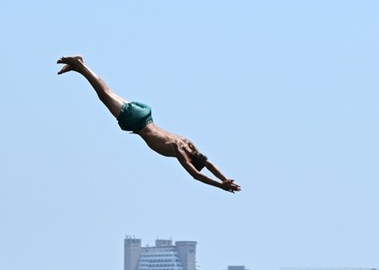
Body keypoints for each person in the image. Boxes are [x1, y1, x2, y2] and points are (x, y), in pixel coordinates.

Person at [57, 56, 241, 192]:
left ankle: (79, 67)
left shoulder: (187, 141)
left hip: (145, 114)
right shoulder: (179, 148)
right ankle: (80, 65)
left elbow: (207, 163)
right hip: (136, 121)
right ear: (192, 160)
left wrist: (225, 178)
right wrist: (220, 185)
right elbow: (196, 174)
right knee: (104, 96)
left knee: (107, 92)